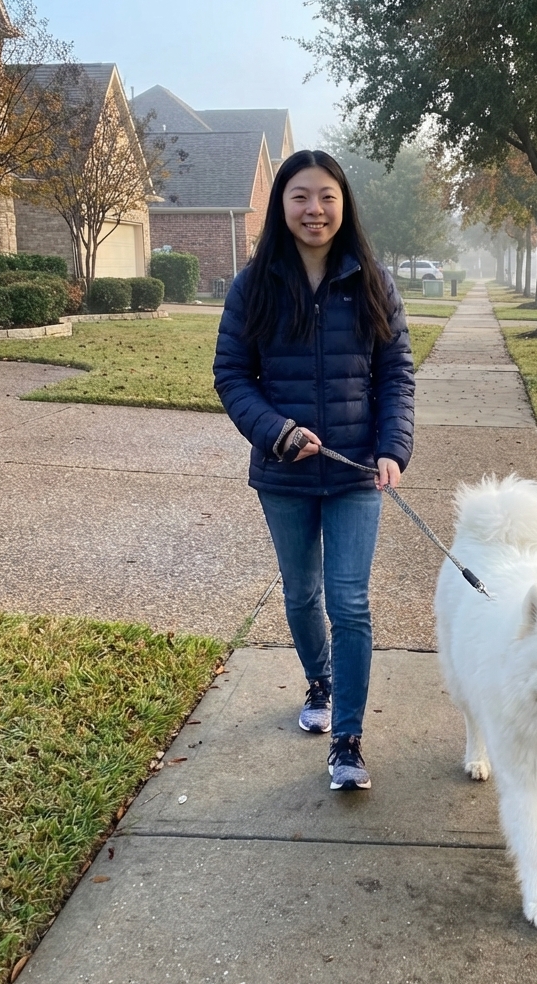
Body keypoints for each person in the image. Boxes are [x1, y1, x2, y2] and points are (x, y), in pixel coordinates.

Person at [213, 150, 415, 791]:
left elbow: (395, 374)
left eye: (327, 196)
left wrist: (392, 448)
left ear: (344, 203)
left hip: (357, 472)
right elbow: (232, 375)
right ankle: (319, 681)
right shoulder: (253, 286)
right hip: (285, 475)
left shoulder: (373, 281)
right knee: (301, 594)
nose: (314, 209)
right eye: (300, 196)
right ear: (280, 204)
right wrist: (276, 432)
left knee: (349, 603)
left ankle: (349, 740)